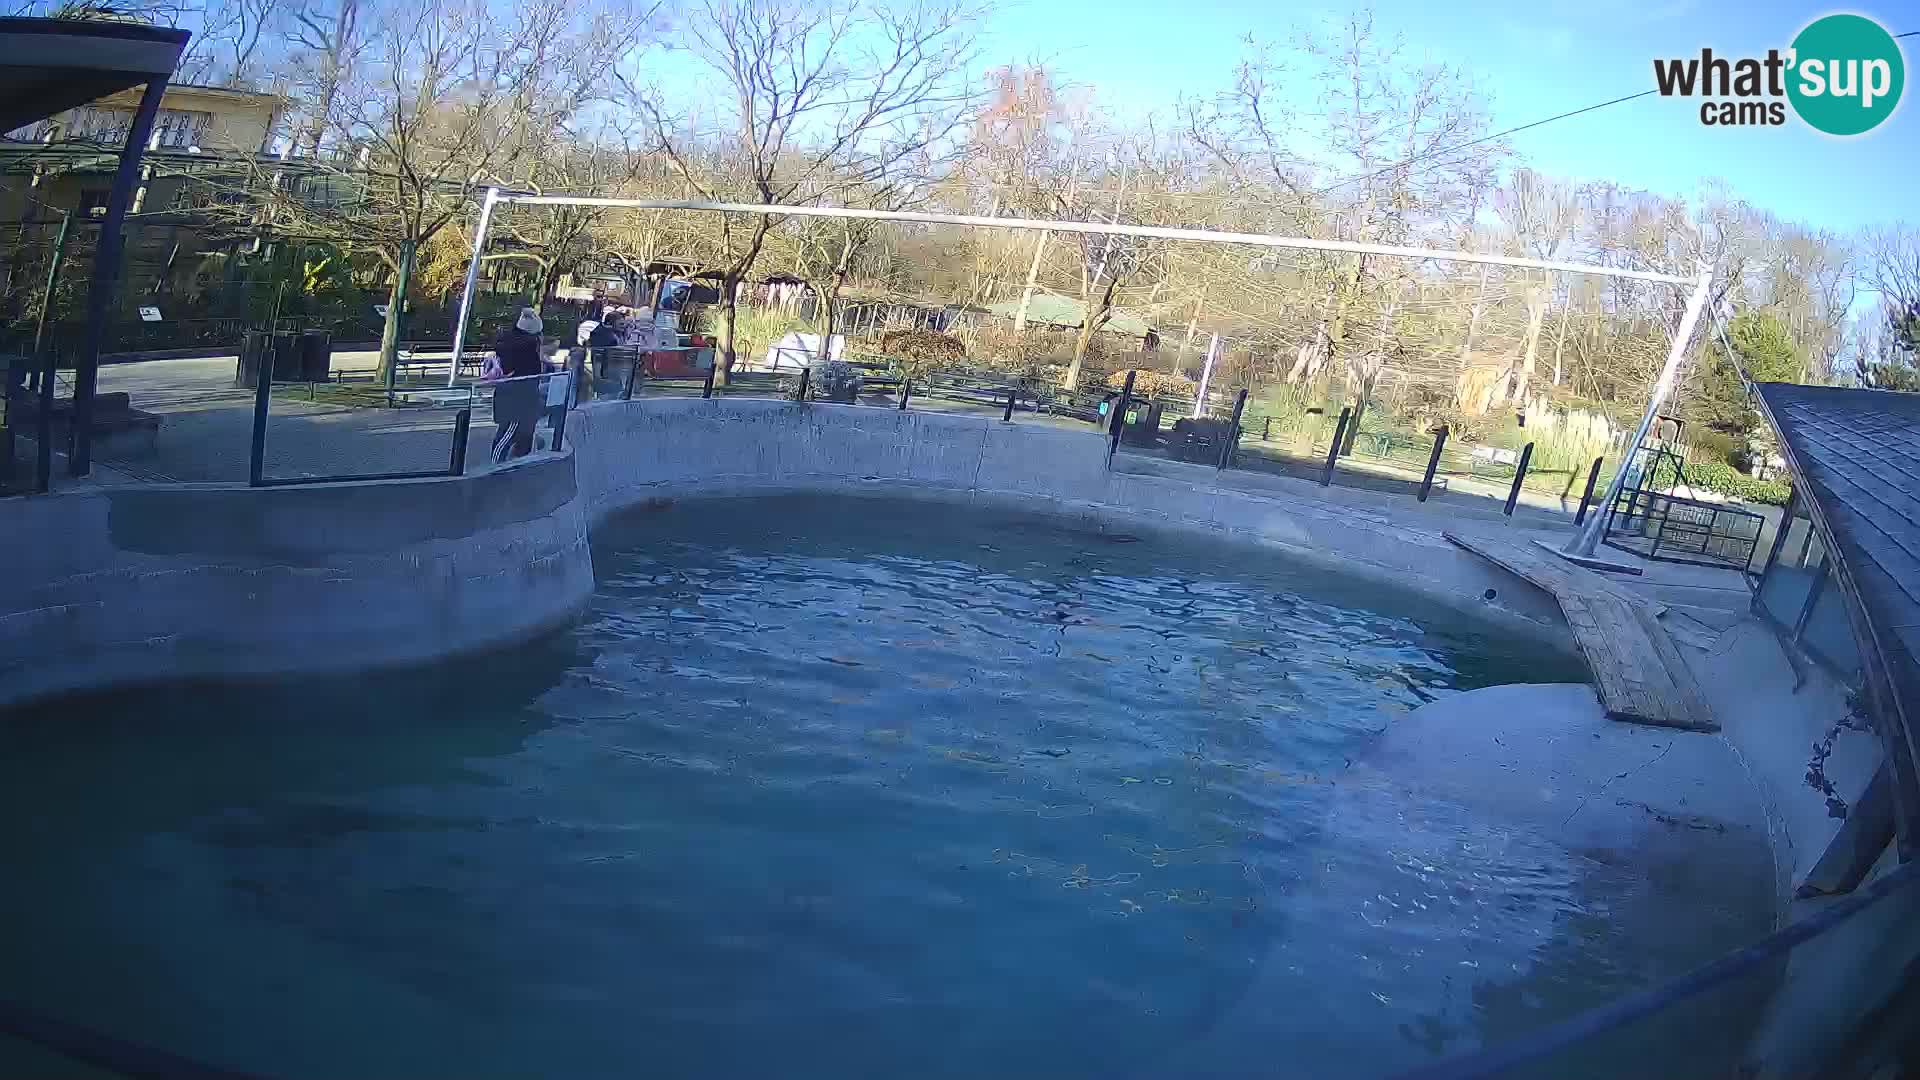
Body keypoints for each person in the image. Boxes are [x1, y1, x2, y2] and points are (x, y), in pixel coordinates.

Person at [488, 307, 545, 462]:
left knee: (519, 433)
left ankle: (509, 463)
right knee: (509, 432)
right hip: (517, 397)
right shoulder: (522, 346)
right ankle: (496, 466)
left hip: (519, 395)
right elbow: (511, 367)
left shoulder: (513, 343)